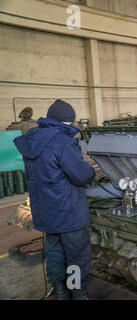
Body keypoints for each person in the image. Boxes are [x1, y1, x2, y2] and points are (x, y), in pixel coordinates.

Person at [14, 99, 95, 300]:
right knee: (77, 255)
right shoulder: (62, 142)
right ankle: (78, 293)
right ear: (65, 121)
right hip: (68, 212)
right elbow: (81, 176)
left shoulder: (32, 139)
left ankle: (60, 292)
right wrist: (91, 171)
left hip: (45, 210)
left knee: (54, 252)